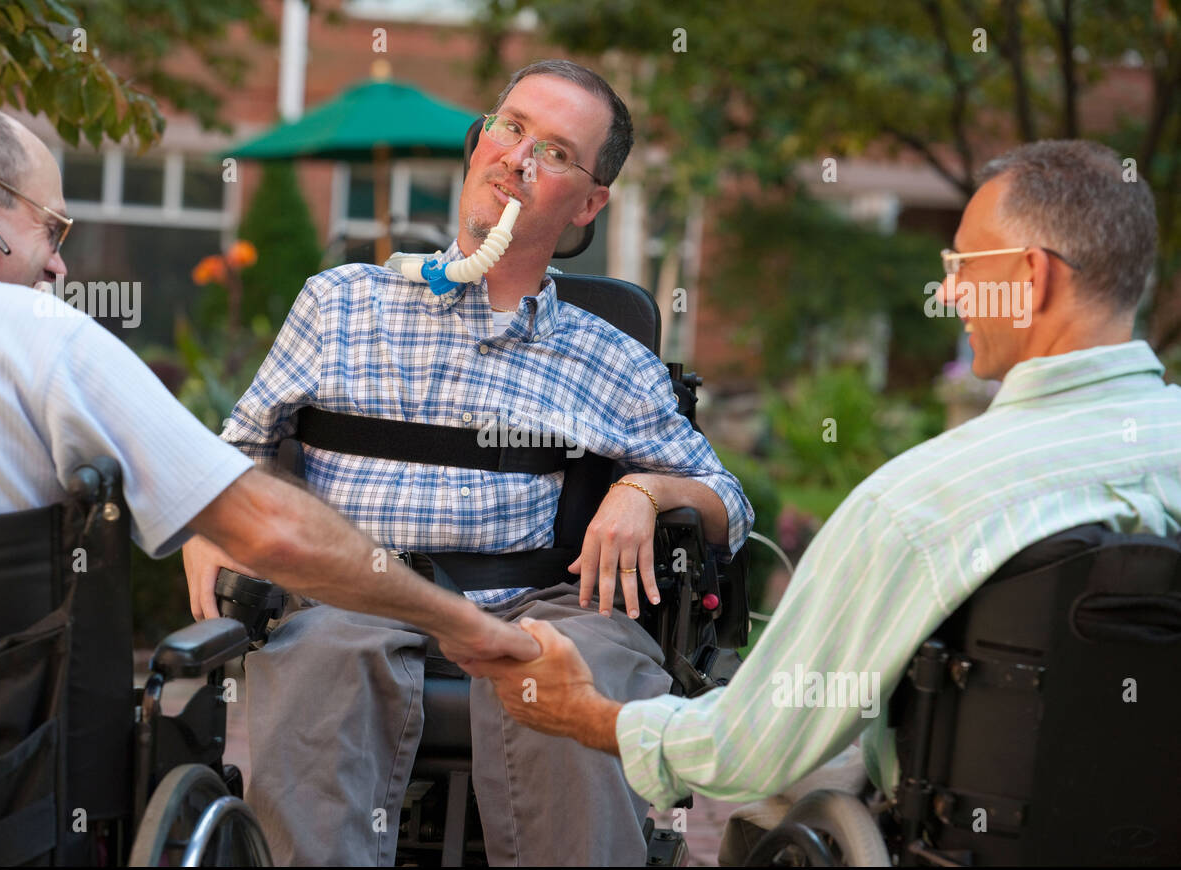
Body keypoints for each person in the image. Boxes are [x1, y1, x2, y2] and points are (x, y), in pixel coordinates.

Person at [467, 139, 1181, 815]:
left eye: (964, 263)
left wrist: (590, 715)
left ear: (1032, 277)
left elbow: (746, 748)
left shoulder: (926, 504)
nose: (952, 290)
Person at [182, 59, 752, 866]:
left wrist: (647, 490)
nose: (518, 157)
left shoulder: (607, 357)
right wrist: (209, 516)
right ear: (479, 140)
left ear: (590, 203)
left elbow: (729, 502)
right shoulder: (340, 303)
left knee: (578, 670)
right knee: (318, 657)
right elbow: (240, 445)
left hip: (531, 605)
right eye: (511, 127)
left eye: (555, 151)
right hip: (353, 593)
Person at [0, 96, 539, 668]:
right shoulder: (37, 335)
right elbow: (270, 530)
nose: (57, 265)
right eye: (51, 227)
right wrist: (463, 624)